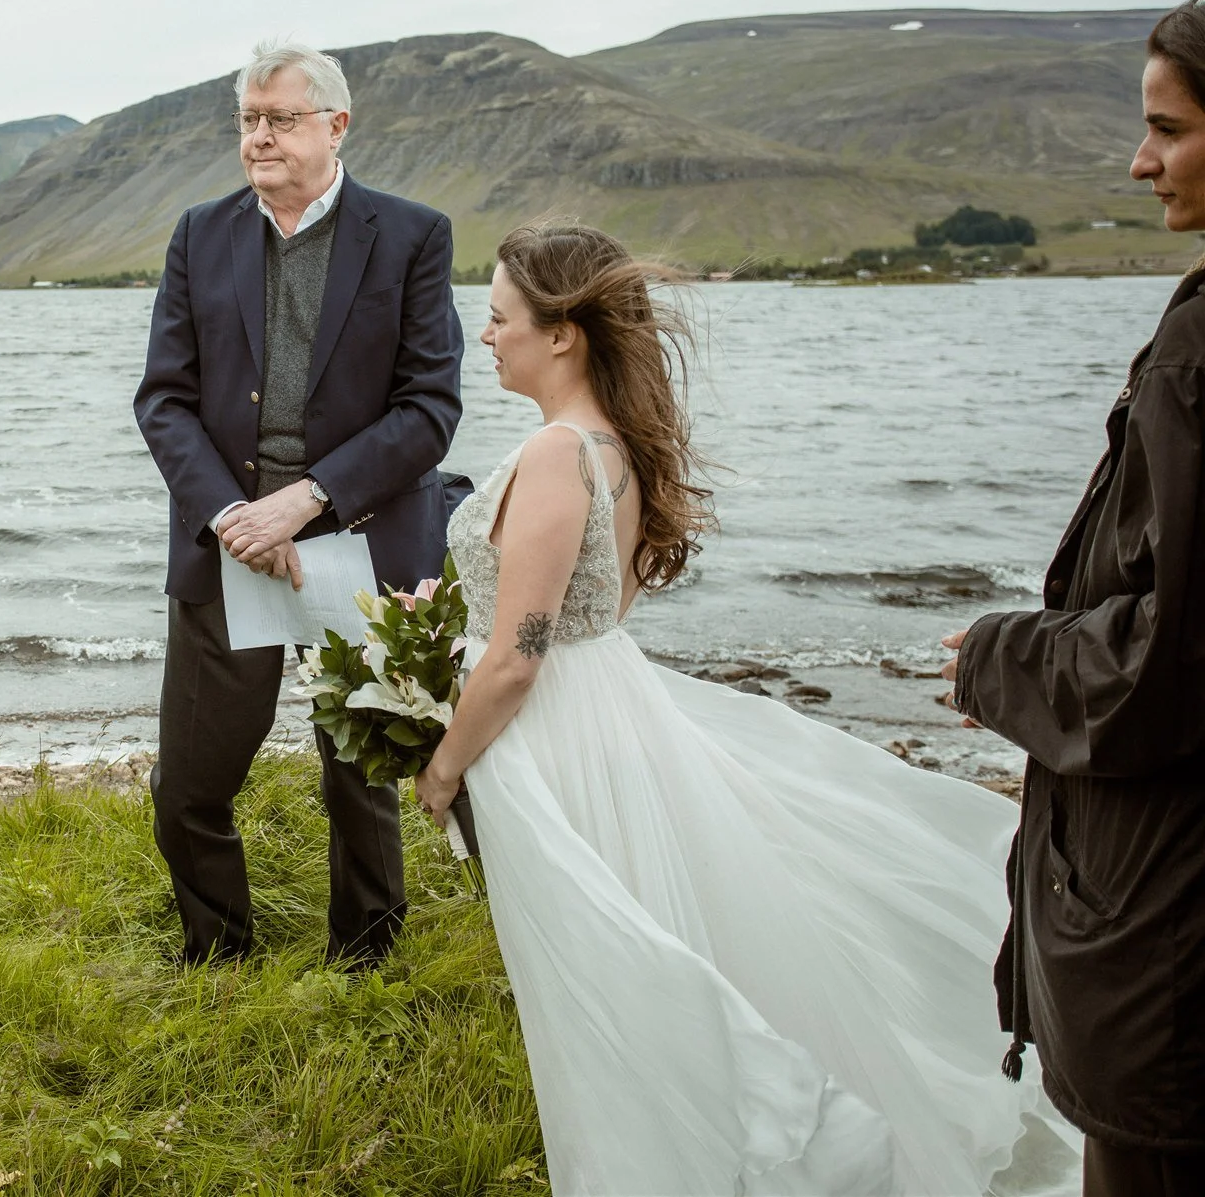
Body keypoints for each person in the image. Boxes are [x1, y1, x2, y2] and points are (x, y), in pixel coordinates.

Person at [416, 224, 1077, 1195]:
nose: (487, 337)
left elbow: (521, 655)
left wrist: (441, 767)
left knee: (603, 970)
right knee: (646, 943)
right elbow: (600, 608)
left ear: (560, 334)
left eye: (499, 317)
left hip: (554, 730)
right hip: (611, 707)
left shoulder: (559, 451)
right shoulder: (614, 448)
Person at [944, 0, 1205, 1197]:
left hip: (1176, 937)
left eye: (1168, 128)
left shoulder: (1199, 351)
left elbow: (1173, 658)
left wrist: (993, 658)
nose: (1138, 160)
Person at [134, 41, 464, 966]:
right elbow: (162, 398)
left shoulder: (410, 235)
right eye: (248, 119)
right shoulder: (200, 233)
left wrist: (306, 503)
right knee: (191, 783)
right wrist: (232, 516)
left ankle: (365, 959)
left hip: (360, 540)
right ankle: (219, 954)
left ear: (336, 124)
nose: (259, 136)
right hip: (228, 542)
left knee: (358, 773)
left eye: (280, 118)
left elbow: (429, 409)